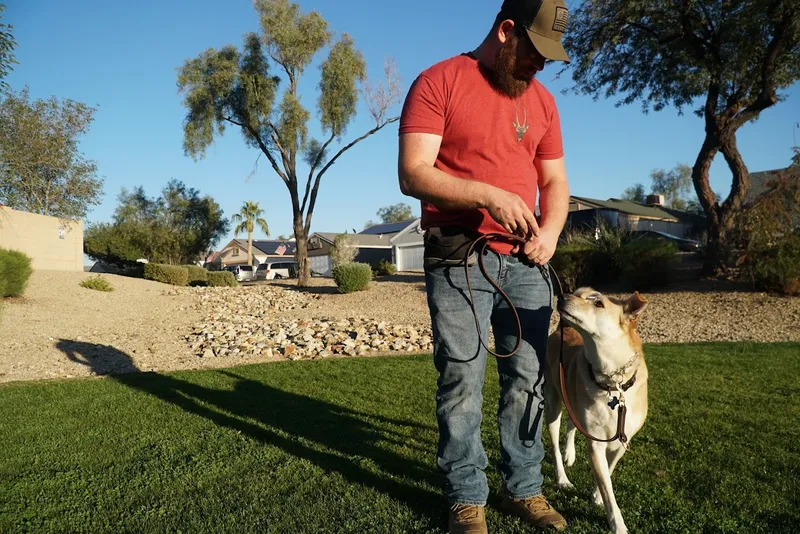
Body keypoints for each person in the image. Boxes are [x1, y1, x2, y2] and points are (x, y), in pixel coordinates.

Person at [397, 0, 572, 532]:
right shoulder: (439, 81)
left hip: (525, 262)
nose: (539, 67)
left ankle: (525, 489)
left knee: (531, 379)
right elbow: (412, 173)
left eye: (548, 58)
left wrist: (551, 232)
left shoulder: (542, 102)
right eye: (534, 53)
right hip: (458, 257)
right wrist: (489, 196)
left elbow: (555, 183)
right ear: (505, 31)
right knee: (461, 380)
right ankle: (466, 496)